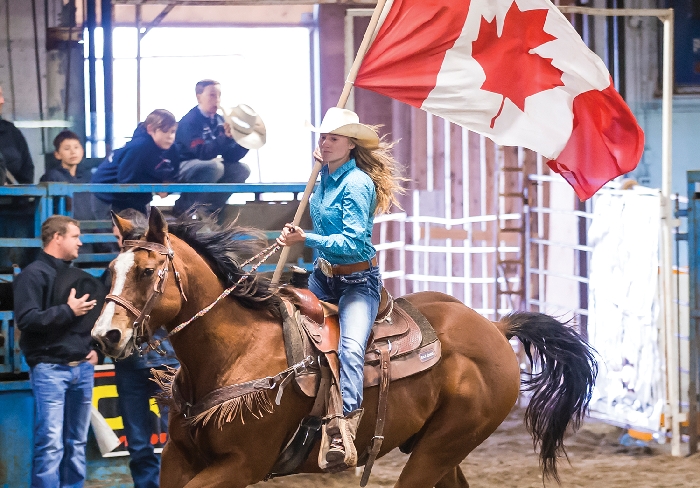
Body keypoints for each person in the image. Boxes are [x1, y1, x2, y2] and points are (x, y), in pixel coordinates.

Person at [276, 107, 405, 469]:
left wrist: (307, 237)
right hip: (323, 274)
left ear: (351, 144)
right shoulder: (324, 178)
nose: (325, 142)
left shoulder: (357, 183)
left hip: (356, 281)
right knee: (278, 321)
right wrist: (300, 237)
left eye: (334, 137)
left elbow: (354, 243)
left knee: (350, 348)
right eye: (323, 137)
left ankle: (345, 427)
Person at [13, 215, 104, 487]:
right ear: (57, 238)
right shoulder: (32, 275)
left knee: (76, 442)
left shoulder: (75, 276)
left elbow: (87, 323)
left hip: (82, 369)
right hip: (50, 370)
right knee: (50, 444)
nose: (81, 241)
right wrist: (68, 310)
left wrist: (95, 350)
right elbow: (27, 319)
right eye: (75, 236)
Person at [106, 209, 179, 488]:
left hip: (163, 359)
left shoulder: (159, 267)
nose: (119, 243)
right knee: (138, 442)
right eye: (117, 238)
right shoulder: (119, 268)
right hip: (136, 362)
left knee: (176, 435)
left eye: (120, 236)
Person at [172, 79, 250, 216]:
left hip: (208, 166)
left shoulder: (220, 120)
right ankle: (184, 209)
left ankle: (209, 210)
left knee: (241, 170)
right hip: (182, 166)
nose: (217, 100)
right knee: (214, 167)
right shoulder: (189, 122)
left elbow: (230, 156)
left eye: (219, 95)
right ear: (198, 97)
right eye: (212, 95)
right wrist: (224, 138)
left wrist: (243, 142)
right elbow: (202, 153)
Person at [91, 109, 179, 218]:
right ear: (150, 129)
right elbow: (126, 179)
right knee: (113, 233)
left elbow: (173, 174)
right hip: (108, 196)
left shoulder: (171, 148)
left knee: (139, 231)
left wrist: (165, 186)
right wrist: (157, 185)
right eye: (164, 131)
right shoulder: (139, 147)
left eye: (173, 131)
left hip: (135, 198)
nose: (169, 136)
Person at [40, 130, 92, 220]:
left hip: (89, 229)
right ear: (57, 154)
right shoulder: (52, 177)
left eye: (76, 147)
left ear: (82, 151)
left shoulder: (89, 176)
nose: (73, 152)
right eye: (67, 149)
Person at [0, 84, 34, 184]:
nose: (2, 101)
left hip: (13, 198)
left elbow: (27, 168)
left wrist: (23, 197)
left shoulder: (11, 131)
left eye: (1, 95)